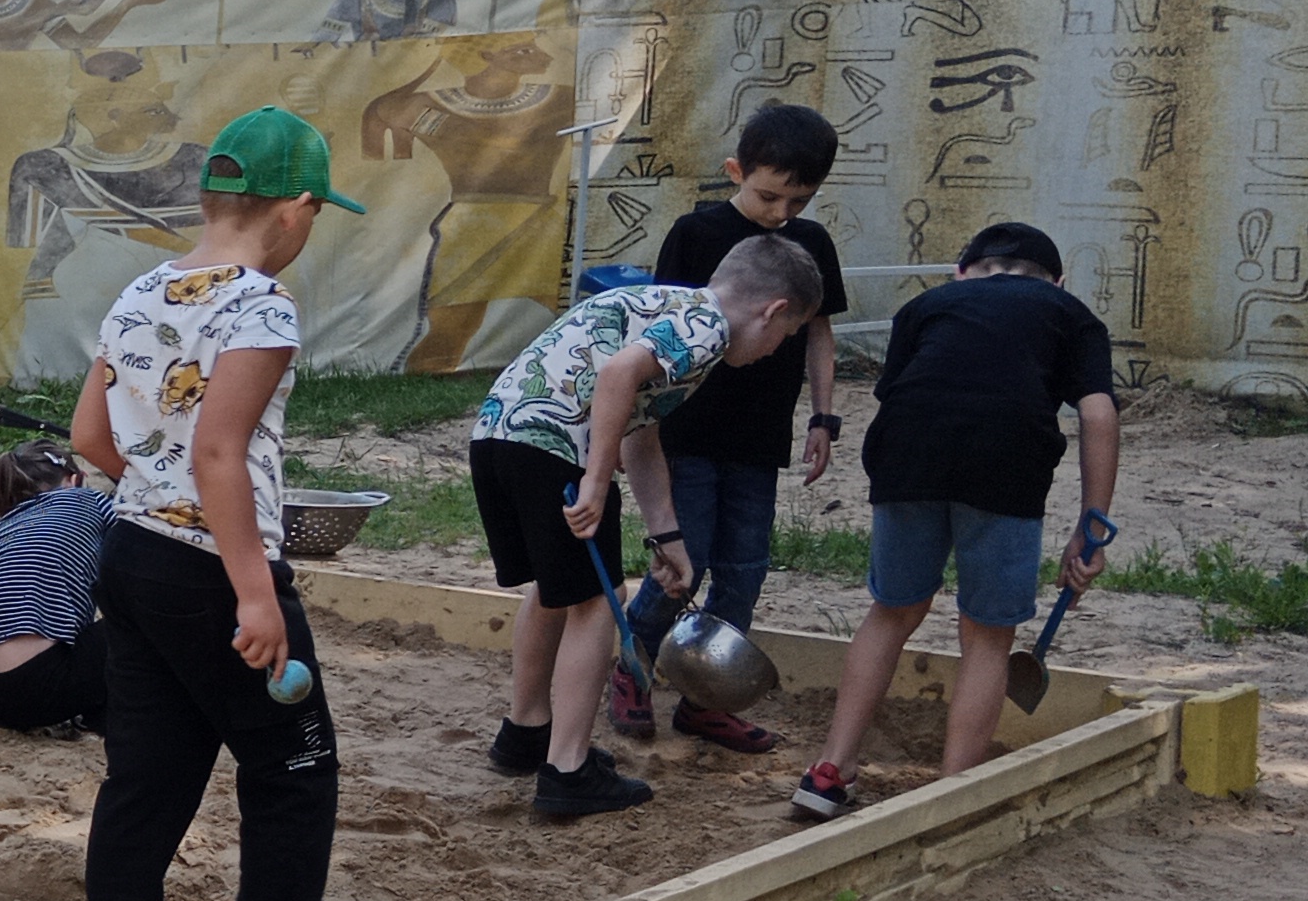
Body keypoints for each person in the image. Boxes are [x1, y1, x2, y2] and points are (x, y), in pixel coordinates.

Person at [63, 106, 359, 901]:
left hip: (131, 552)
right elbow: (219, 452)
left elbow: (89, 437)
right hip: (213, 569)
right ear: (296, 209)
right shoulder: (262, 305)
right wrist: (255, 594)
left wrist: (155, 491)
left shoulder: (140, 291)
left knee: (148, 767)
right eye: (316, 213)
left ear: (209, 199)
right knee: (296, 760)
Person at [468, 234, 825, 821]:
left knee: (557, 591)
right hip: (557, 448)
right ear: (773, 310)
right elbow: (617, 376)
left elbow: (639, 433)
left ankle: (526, 733)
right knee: (597, 603)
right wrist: (594, 480)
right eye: (785, 337)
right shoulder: (707, 326)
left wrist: (668, 537)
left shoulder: (663, 308)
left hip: (501, 437)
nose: (774, 351)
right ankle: (567, 772)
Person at [792, 222, 1119, 822]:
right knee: (988, 635)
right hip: (1004, 466)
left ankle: (830, 769)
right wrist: (1091, 525)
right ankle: (952, 791)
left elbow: (902, 394)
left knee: (892, 611)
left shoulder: (927, 305)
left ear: (962, 272)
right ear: (1057, 282)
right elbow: (1098, 415)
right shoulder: (1071, 313)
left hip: (906, 457)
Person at [618, 103, 848, 750]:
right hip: (688, 430)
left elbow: (820, 334)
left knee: (745, 569)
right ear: (735, 171)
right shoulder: (696, 232)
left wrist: (823, 416)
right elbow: (660, 327)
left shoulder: (812, 245)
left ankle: (706, 698)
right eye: (770, 196)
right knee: (684, 562)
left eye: (798, 202)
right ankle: (633, 666)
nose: (781, 213)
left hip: (759, 436)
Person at [0, 441, 113, 737]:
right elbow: (135, 541)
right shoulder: (89, 500)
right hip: (40, 685)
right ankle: (104, 715)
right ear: (76, 480)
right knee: (136, 621)